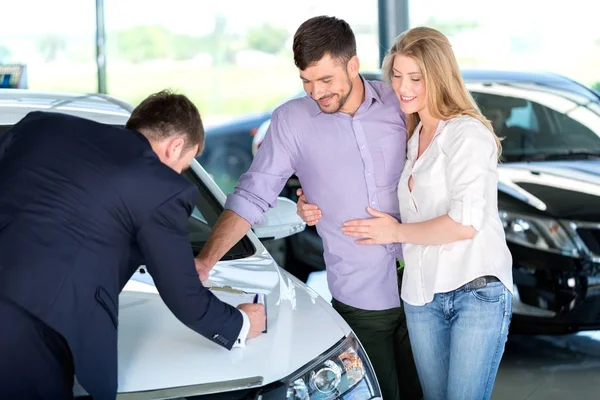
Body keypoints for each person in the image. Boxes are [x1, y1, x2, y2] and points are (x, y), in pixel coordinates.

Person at [194, 16, 422, 400]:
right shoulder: (291, 121)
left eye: (326, 80)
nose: (316, 92)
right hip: (361, 296)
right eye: (306, 81)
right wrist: (205, 261)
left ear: (352, 64)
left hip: (426, 286)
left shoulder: (398, 103)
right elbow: (253, 193)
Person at [0, 90, 265, 400]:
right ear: (175, 146)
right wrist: (243, 324)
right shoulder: (161, 186)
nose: (179, 175)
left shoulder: (38, 126)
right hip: (31, 328)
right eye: (184, 165)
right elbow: (184, 299)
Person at [299, 26, 514, 400]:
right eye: (396, 76)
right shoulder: (411, 135)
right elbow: (364, 181)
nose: (402, 87)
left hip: (475, 292)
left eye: (416, 78)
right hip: (421, 297)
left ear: (440, 77)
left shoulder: (467, 134)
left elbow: (464, 225)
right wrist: (313, 202)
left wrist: (394, 233)